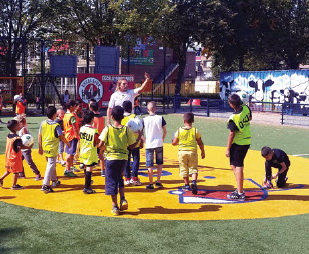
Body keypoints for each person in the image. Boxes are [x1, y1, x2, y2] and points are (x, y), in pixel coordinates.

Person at [98, 106, 142, 215]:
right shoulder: (126, 129)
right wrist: (139, 136)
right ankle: (123, 198)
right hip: (123, 158)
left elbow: (100, 144)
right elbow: (132, 146)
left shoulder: (108, 129)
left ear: (112, 117)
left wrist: (105, 149)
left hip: (111, 158)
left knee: (111, 181)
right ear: (122, 117)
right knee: (120, 178)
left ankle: (115, 206)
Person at [225, 93, 252, 201]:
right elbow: (250, 118)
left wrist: (227, 148)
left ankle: (240, 193)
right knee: (233, 164)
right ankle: (239, 187)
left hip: (238, 143)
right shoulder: (246, 108)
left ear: (231, 104)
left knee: (239, 165)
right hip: (247, 140)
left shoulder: (233, 118)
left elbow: (232, 134)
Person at [172, 112, 205, 194]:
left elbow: (175, 142)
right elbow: (200, 142)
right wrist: (202, 151)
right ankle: (194, 181)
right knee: (193, 168)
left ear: (184, 121)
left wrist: (173, 142)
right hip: (192, 152)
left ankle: (186, 184)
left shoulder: (179, 131)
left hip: (182, 152)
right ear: (192, 121)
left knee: (183, 168)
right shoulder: (195, 131)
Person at [38, 106, 69, 193]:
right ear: (55, 114)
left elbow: (39, 135)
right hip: (52, 148)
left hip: (45, 147)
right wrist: (67, 143)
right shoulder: (56, 125)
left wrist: (40, 147)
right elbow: (61, 137)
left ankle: (54, 180)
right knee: (50, 165)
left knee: (51, 164)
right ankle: (45, 184)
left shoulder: (43, 123)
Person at [0, 119, 32, 189]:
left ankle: (1, 179)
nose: (19, 125)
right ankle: (14, 185)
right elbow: (20, 147)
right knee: (16, 172)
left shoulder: (9, 135)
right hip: (14, 157)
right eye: (18, 124)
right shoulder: (17, 138)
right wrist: (29, 147)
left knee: (8, 170)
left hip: (8, 155)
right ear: (14, 127)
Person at [143, 101, 167, 190]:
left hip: (149, 143)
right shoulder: (160, 118)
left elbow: (140, 132)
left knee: (150, 164)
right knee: (159, 163)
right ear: (156, 109)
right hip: (159, 143)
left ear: (147, 109)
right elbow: (165, 131)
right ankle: (158, 181)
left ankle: (150, 183)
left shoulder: (145, 119)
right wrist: (162, 139)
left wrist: (144, 139)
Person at [122, 100, 143, 186]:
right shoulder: (135, 117)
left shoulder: (121, 118)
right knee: (136, 159)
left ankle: (127, 178)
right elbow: (140, 128)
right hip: (135, 141)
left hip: (125, 142)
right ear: (131, 108)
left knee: (126, 159)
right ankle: (134, 178)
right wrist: (141, 140)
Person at [14, 115, 41, 180]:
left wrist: (28, 145)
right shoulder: (21, 129)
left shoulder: (23, 129)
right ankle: (21, 174)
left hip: (25, 149)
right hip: (22, 149)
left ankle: (37, 173)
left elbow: (27, 138)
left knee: (29, 161)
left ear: (20, 123)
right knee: (19, 161)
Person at [79, 111, 99, 194]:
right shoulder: (94, 130)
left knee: (85, 167)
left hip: (83, 150)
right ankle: (87, 187)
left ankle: (88, 182)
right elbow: (96, 142)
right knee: (89, 168)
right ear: (92, 119)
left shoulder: (82, 128)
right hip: (90, 151)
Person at [63, 99, 79, 177]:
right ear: (72, 106)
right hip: (72, 136)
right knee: (70, 154)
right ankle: (67, 169)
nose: (76, 107)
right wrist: (77, 135)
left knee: (69, 153)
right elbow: (74, 127)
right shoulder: (72, 117)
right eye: (75, 106)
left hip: (67, 136)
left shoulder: (66, 115)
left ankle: (69, 167)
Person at [89, 102, 105, 176]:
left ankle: (90, 171)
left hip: (93, 138)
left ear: (91, 108)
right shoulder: (102, 118)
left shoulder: (92, 118)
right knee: (101, 155)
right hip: (100, 138)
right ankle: (102, 170)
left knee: (91, 155)